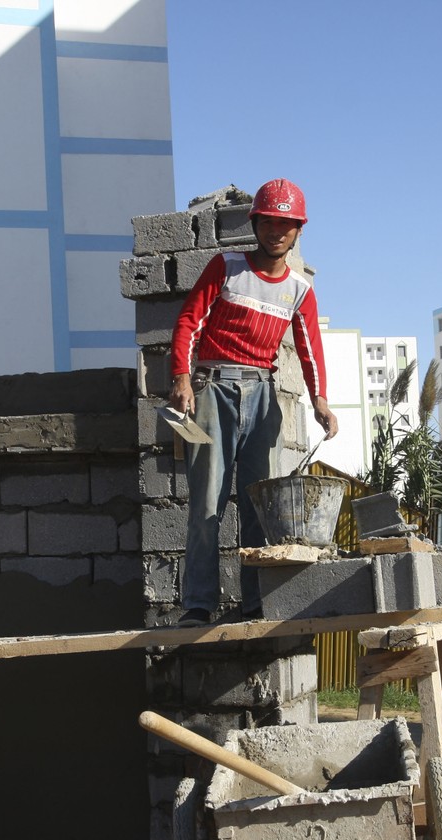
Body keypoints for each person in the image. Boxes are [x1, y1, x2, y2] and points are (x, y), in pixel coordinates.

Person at [167, 178, 339, 625]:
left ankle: (255, 603)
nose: (276, 231)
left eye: (286, 224)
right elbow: (188, 323)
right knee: (207, 502)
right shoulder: (226, 267)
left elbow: (310, 348)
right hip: (212, 389)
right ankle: (199, 606)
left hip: (262, 396)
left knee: (260, 504)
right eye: (269, 222)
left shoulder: (298, 290)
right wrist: (182, 379)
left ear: (298, 231)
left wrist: (320, 400)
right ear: (255, 224)